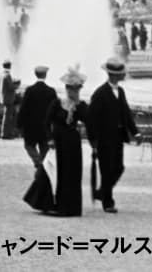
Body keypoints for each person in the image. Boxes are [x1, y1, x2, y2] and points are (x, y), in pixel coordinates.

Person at [23, 65, 89, 216]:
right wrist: (50, 138)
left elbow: (89, 120)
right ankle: (48, 203)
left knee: (70, 174)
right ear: (67, 89)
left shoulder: (80, 106)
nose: (75, 92)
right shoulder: (57, 103)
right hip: (58, 141)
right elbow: (46, 122)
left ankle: (68, 207)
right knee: (51, 171)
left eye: (77, 89)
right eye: (72, 89)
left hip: (72, 143)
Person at [86, 58, 139, 214]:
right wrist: (93, 140)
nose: (123, 76)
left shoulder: (120, 91)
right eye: (121, 74)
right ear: (113, 75)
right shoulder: (100, 93)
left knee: (118, 167)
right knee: (106, 170)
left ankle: (101, 192)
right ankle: (108, 202)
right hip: (104, 138)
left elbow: (126, 113)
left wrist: (135, 131)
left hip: (117, 137)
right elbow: (91, 119)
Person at [16, 65, 57, 168]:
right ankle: (42, 164)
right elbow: (55, 110)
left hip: (31, 125)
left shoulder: (29, 90)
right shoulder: (51, 91)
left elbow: (23, 108)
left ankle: (37, 161)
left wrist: (19, 123)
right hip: (45, 126)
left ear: (35, 74)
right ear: (46, 75)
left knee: (29, 146)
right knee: (44, 148)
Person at [0, 60, 19, 139]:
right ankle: (6, 134)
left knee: (6, 116)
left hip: (3, 98)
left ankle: (5, 133)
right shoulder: (8, 75)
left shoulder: (1, 75)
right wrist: (17, 85)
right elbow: (11, 87)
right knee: (7, 117)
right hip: (9, 99)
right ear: (10, 66)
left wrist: (1, 94)